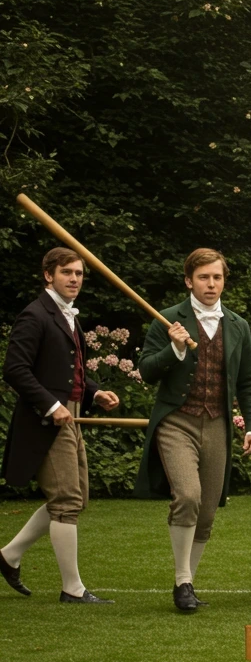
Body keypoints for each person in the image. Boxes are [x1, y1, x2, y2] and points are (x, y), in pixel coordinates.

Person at [134, 248, 251, 613]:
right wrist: (173, 349)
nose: (211, 284)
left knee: (206, 511)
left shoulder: (238, 326)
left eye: (217, 277)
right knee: (188, 495)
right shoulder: (168, 319)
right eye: (204, 277)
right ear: (189, 280)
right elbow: (146, 371)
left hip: (218, 424)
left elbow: (249, 382)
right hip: (177, 420)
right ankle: (182, 581)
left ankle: (188, 581)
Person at [0, 248, 120, 602]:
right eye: (67, 272)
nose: (74, 279)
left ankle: (8, 556)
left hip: (69, 414)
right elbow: (15, 369)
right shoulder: (35, 315)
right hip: (46, 420)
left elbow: (68, 371)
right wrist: (52, 405)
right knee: (67, 500)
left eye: (79, 274)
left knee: (75, 497)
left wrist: (95, 393)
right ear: (48, 275)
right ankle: (73, 589)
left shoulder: (67, 315)